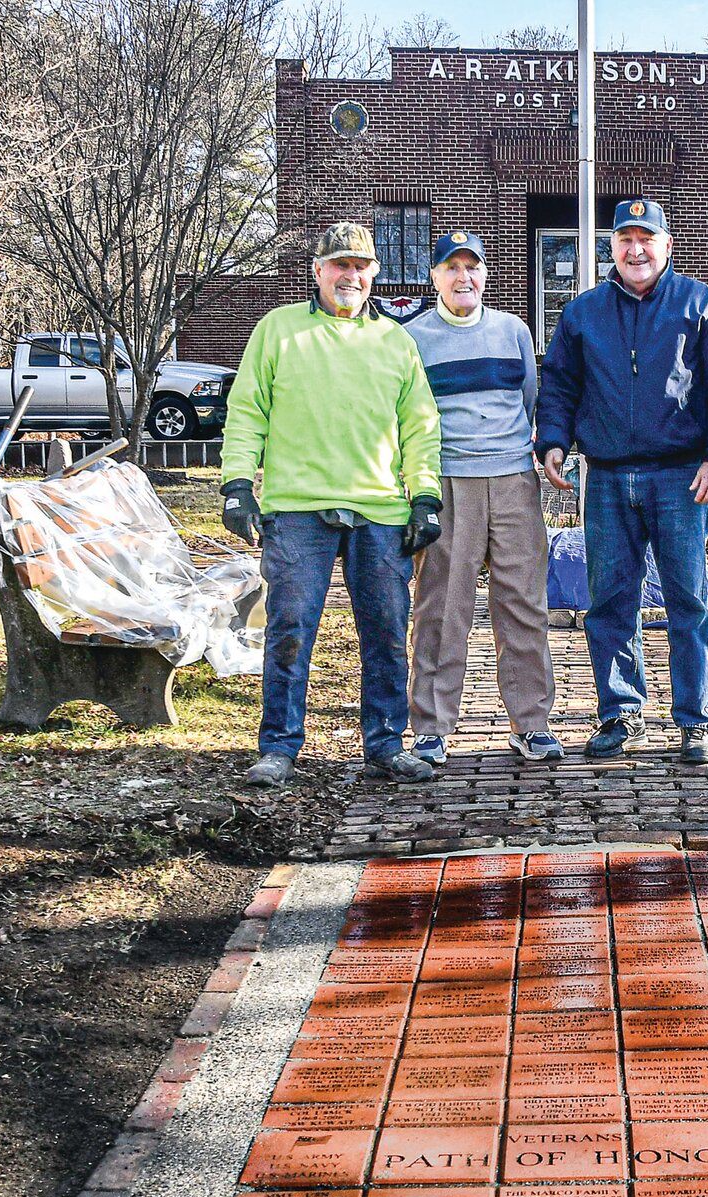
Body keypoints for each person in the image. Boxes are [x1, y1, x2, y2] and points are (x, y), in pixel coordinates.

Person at [219, 221, 443, 788]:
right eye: (339, 265)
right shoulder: (278, 331)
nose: (350, 275)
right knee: (291, 626)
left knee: (387, 629)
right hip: (297, 507)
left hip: (380, 510)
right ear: (318, 271)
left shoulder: (395, 341)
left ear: (373, 274)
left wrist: (424, 497)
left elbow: (419, 427)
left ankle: (387, 744)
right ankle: (279, 747)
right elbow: (248, 411)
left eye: (360, 266)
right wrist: (238, 485)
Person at [536, 199, 708, 765]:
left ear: (667, 246)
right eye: (625, 238)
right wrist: (552, 441)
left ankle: (696, 722)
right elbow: (558, 384)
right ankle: (619, 712)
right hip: (604, 478)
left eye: (647, 238)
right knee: (610, 601)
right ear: (613, 249)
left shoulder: (702, 305)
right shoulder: (583, 314)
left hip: (681, 476)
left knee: (687, 601)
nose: (636, 249)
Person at [404, 231, 561, 766]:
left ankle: (531, 723)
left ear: (485, 275)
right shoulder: (413, 338)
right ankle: (431, 726)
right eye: (452, 268)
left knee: (522, 603)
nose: (463, 277)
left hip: (514, 479)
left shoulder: (513, 331)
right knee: (442, 608)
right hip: (449, 482)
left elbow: (528, 399)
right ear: (435, 276)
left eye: (473, 268)